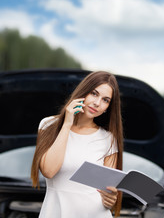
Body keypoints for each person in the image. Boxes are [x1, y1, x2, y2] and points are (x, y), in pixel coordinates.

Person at [31, 71, 124, 218]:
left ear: (108, 107)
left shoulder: (108, 139)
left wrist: (111, 199)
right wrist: (67, 123)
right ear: (83, 92)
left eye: (105, 100)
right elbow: (48, 171)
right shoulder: (48, 125)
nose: (97, 103)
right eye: (94, 93)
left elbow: (107, 193)